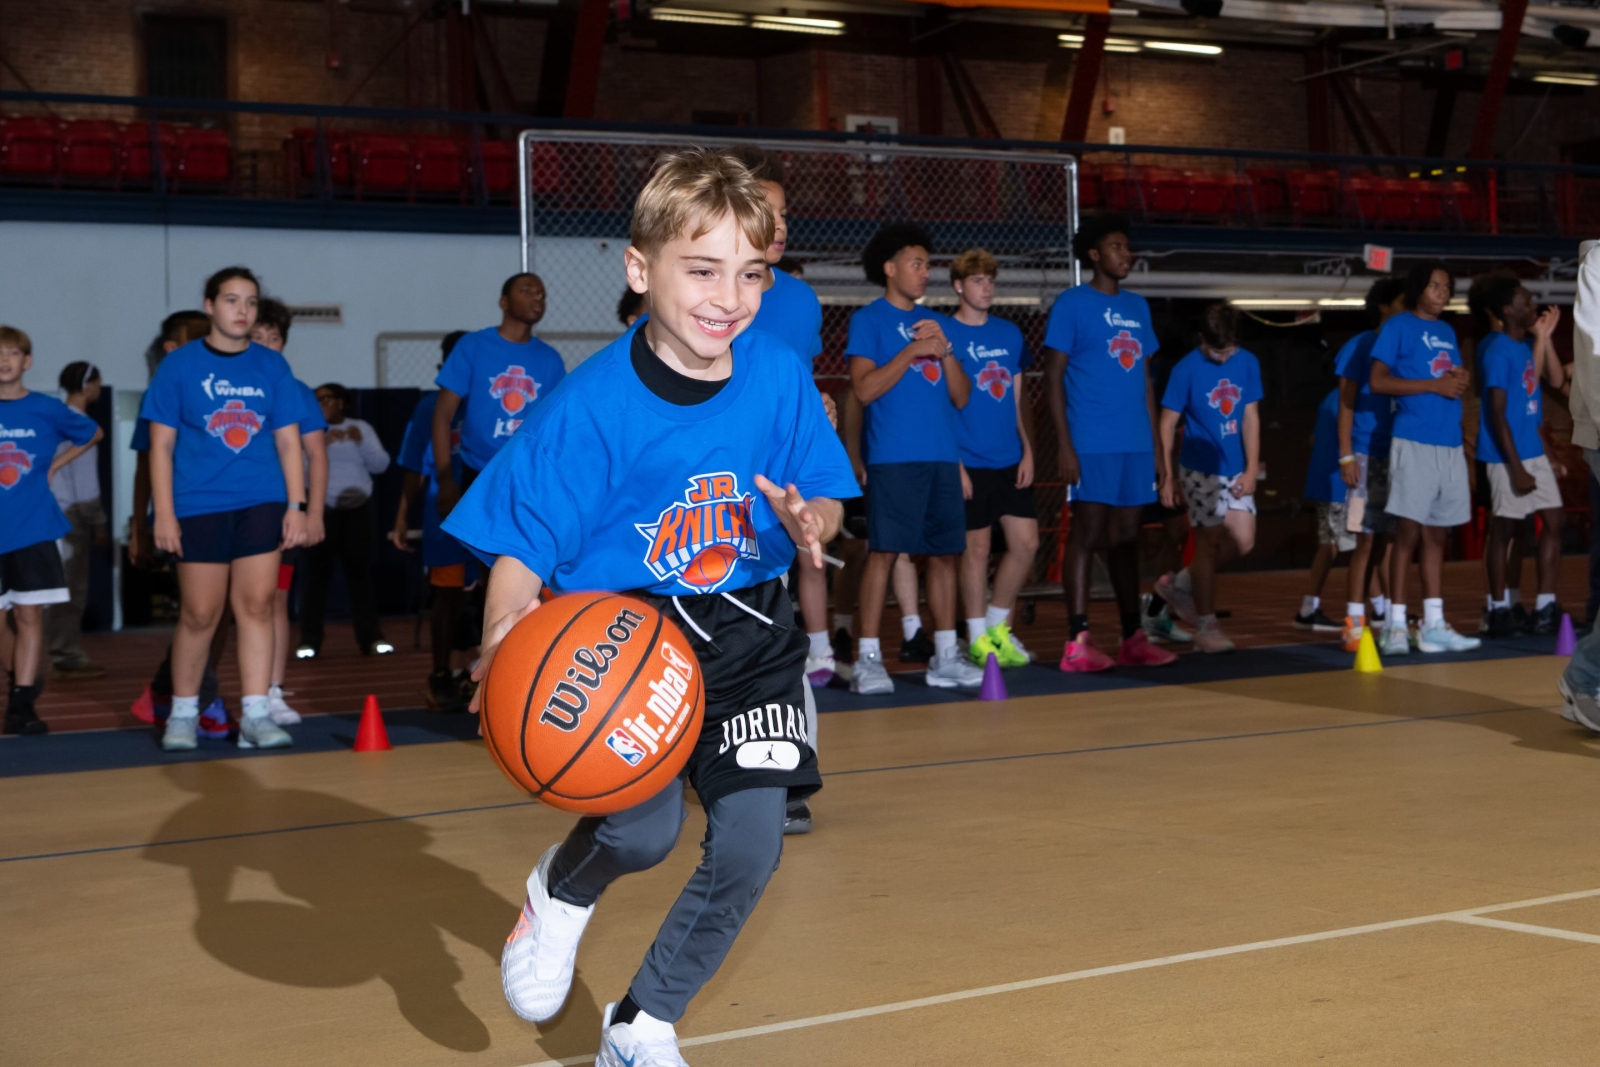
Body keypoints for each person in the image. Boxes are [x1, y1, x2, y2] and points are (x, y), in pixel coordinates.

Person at [444, 148, 859, 1066]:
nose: (730, 296)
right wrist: (502, 641)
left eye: (752, 273)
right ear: (640, 271)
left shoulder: (781, 374)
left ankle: (643, 1022)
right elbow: (522, 551)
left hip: (751, 635)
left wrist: (809, 518)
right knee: (644, 829)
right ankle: (560, 892)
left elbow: (827, 489)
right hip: (629, 636)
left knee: (752, 842)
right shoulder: (587, 406)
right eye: (702, 269)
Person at [142, 266, 308, 751]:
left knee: (256, 606)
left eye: (251, 302)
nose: (243, 310)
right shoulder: (179, 366)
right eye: (232, 300)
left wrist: (296, 506)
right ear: (210, 306)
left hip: (260, 500)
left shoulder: (272, 367)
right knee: (199, 613)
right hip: (198, 504)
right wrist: (164, 514)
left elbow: (288, 442)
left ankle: (256, 715)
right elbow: (160, 448)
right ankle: (182, 714)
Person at [846, 223, 985, 694]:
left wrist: (944, 351)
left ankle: (946, 655)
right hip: (894, 459)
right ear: (890, 269)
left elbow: (963, 397)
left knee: (947, 555)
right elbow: (863, 389)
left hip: (942, 458)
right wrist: (912, 349)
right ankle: (867, 659)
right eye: (916, 263)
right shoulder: (870, 320)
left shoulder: (936, 324)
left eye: (929, 265)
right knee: (883, 554)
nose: (926, 273)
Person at [1043, 214, 1178, 671]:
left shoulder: (1138, 307)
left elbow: (1144, 379)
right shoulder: (1072, 304)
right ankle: (1076, 639)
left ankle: (1131, 636)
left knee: (1126, 538)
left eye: (1128, 246)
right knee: (1087, 533)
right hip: (1091, 438)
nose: (1127, 253)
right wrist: (1064, 444)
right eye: (1117, 247)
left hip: (1135, 441)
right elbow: (1054, 376)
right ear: (1095, 255)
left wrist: (1158, 450)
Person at [127, 310, 233, 736]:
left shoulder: (221, 388)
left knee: (221, 613)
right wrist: (140, 526)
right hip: (183, 515)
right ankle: (199, 699)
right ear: (173, 348)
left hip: (227, 514)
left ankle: (162, 691)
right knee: (200, 611)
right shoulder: (165, 390)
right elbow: (142, 469)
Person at [1370, 260, 1480, 655]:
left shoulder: (1447, 331)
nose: (1442, 293)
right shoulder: (1398, 326)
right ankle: (1396, 625)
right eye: (1435, 286)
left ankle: (1433, 624)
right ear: (1418, 289)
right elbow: (1378, 381)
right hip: (1413, 440)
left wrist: (1457, 380)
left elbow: (1445, 380)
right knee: (1408, 534)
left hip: (1448, 443)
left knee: (1438, 535)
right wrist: (1434, 385)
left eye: (1447, 288)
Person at [0, 326, 103, 735]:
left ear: (27, 362)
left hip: (33, 528)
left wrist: (55, 466)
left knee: (29, 616)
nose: (4, 360)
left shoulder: (46, 408)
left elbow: (93, 433)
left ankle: (22, 703)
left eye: (12, 353)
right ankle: (20, 677)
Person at [943, 248, 1038, 668]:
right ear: (959, 286)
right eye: (978, 281)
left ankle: (998, 626)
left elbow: (1018, 400)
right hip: (969, 458)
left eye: (991, 280)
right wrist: (956, 465)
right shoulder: (945, 333)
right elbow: (942, 404)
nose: (987, 288)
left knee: (1026, 542)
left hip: (1008, 457)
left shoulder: (1009, 334)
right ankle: (977, 636)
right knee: (976, 550)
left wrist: (1029, 450)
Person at [1158, 303, 1261, 653]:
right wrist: (1168, 476)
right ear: (1201, 338)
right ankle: (1206, 625)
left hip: (1235, 466)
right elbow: (1167, 423)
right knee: (1208, 542)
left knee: (1243, 542)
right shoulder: (1186, 369)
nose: (1223, 357)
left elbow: (1250, 417)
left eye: (1228, 349)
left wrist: (1250, 468)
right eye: (1217, 351)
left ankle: (1177, 587)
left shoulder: (1247, 362)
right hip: (1200, 467)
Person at [1470, 272, 1566, 636]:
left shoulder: (1522, 346)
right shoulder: (1496, 349)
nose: (1534, 305)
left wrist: (1545, 456)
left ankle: (1545, 607)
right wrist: (1516, 468)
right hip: (1504, 456)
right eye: (1526, 300)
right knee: (1504, 529)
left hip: (1531, 451)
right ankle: (1497, 609)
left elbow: (1532, 398)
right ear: (1508, 310)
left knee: (1554, 522)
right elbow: (1497, 413)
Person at [392, 330, 480, 713]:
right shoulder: (431, 407)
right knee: (447, 596)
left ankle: (476, 672)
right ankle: (441, 674)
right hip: (445, 513)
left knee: (485, 595)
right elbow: (413, 467)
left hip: (486, 512)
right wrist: (401, 518)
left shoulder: (488, 404)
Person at [250, 298, 328, 722]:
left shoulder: (294, 390)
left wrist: (312, 512)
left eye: (272, 338)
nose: (264, 344)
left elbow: (316, 453)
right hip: (237, 509)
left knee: (273, 602)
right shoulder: (229, 384)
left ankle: (272, 689)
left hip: (281, 515)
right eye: (256, 337)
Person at [432, 272, 565, 519]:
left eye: (542, 295)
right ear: (503, 302)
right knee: (480, 555)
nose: (537, 298)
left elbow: (556, 427)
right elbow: (442, 415)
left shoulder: (550, 359)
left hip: (527, 478)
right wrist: (445, 477)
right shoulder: (472, 346)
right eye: (527, 290)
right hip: (478, 472)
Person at [1333, 276, 1407, 652]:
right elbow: (1345, 403)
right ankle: (1354, 622)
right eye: (1402, 302)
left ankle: (1394, 621)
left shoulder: (1406, 345)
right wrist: (1346, 455)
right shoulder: (1361, 345)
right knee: (1364, 541)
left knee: (1392, 541)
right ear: (1384, 306)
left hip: (1397, 453)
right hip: (1363, 453)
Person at [294, 384, 391, 658]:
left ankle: (372, 639)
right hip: (321, 511)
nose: (321, 403)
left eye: (326, 398)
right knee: (315, 580)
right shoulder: (309, 430)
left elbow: (381, 465)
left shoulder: (361, 427)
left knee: (360, 577)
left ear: (341, 402)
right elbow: (300, 472)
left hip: (357, 511)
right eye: (317, 400)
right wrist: (319, 445)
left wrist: (359, 440)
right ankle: (309, 642)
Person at [45, 361, 108, 679]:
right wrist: (98, 520)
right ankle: (65, 654)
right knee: (70, 590)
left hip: (44, 515)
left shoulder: (53, 419)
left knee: (43, 590)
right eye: (96, 382)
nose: (98, 388)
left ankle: (37, 653)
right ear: (87, 386)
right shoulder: (81, 425)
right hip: (70, 518)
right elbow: (85, 484)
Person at [1301, 385, 1354, 635]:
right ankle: (1379, 608)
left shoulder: (1330, 397)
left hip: (1324, 482)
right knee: (1357, 547)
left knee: (1329, 545)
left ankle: (1308, 609)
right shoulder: (1349, 399)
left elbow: (1313, 439)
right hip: (1338, 484)